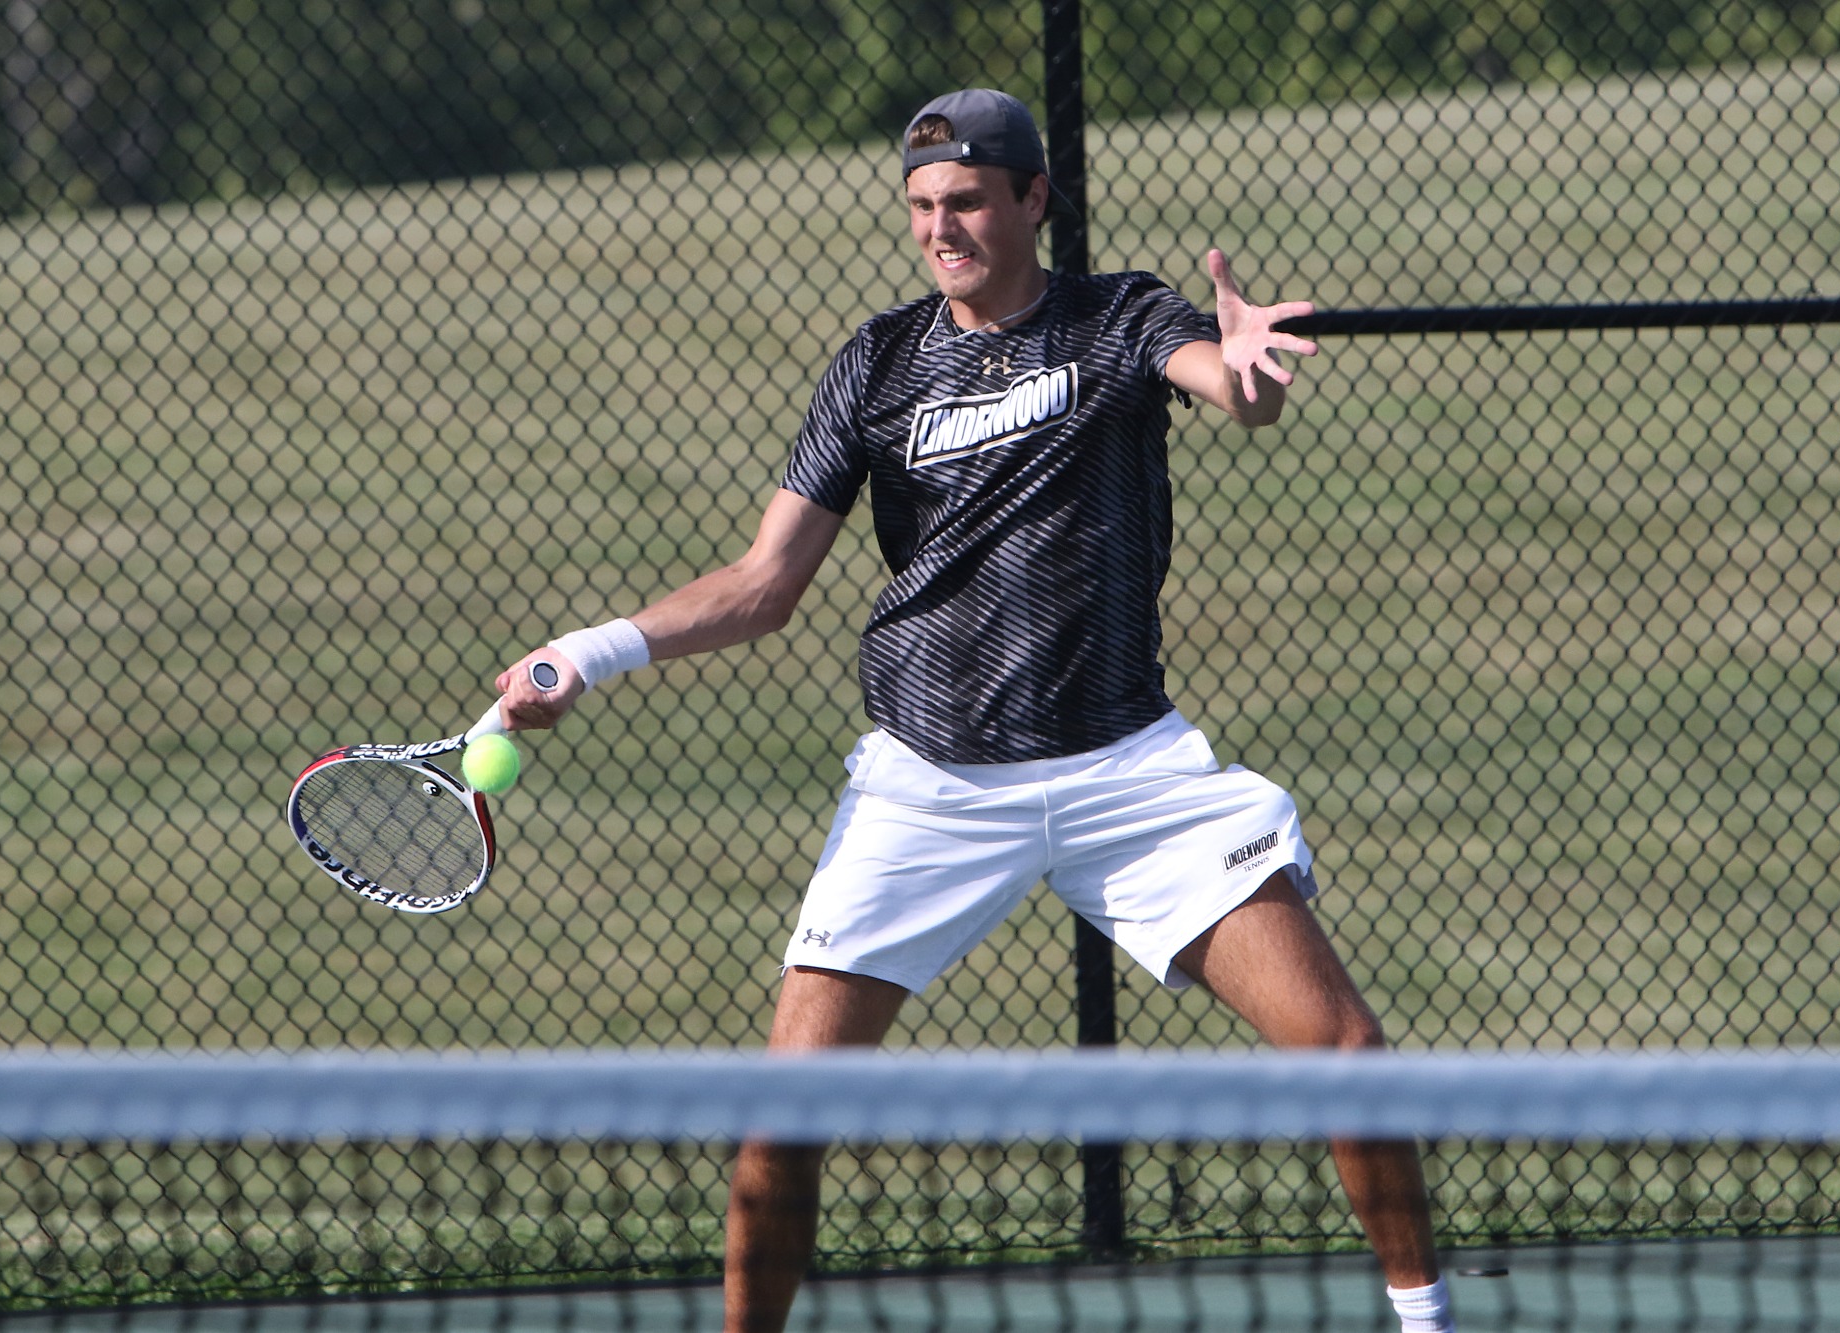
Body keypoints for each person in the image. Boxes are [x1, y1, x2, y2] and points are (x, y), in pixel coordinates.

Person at [495, 87, 1455, 1333]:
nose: (939, 228)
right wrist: (585, 653)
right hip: (928, 784)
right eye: (920, 206)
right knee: (781, 1122)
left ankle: (1427, 1322)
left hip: (1129, 777)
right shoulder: (877, 365)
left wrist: (1246, 368)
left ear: (1031, 198)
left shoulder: (1118, 316)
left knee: (1344, 1054)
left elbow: (1230, 387)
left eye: (965, 201)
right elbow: (762, 583)